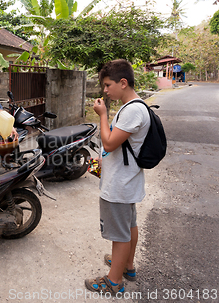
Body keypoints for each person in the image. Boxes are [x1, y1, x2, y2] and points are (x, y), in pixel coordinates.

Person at [84, 59, 150, 294]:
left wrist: (102, 115)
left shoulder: (132, 109)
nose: (104, 90)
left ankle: (114, 282)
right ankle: (127, 265)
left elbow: (110, 142)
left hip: (120, 184)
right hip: (126, 179)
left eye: (107, 84)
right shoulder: (133, 106)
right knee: (129, 225)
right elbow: (119, 144)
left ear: (123, 83)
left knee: (119, 234)